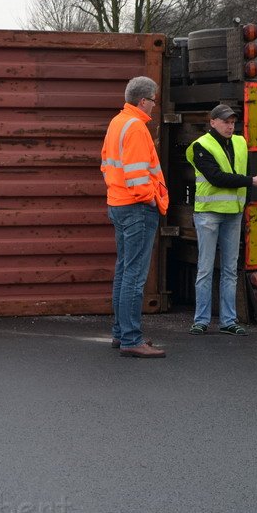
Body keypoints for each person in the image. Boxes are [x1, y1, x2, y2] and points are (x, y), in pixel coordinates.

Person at [185, 104, 257, 336]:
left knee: (230, 269)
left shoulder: (240, 143)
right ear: (212, 122)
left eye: (233, 122)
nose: (230, 125)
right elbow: (216, 177)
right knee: (205, 268)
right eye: (225, 121)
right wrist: (251, 181)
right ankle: (201, 320)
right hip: (209, 213)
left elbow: (241, 172)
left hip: (234, 212)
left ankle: (228, 320)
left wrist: (249, 188)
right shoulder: (200, 146)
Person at [101, 76, 169, 358]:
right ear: (143, 100)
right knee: (134, 276)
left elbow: (107, 164)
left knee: (124, 271)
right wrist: (150, 199)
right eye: (153, 100)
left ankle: (121, 334)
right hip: (137, 208)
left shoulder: (118, 122)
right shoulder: (137, 128)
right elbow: (138, 175)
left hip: (118, 204)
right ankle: (131, 338)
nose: (154, 105)